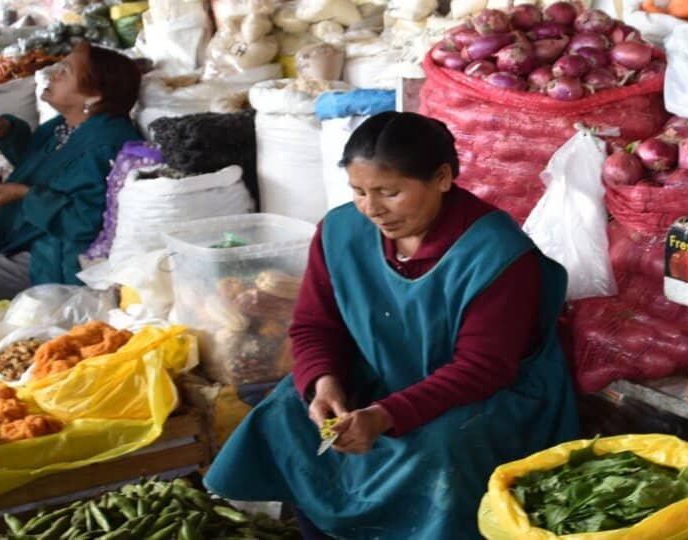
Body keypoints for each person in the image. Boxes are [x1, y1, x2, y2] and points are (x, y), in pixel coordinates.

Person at [205, 112, 579, 539]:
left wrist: (385, 415)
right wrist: (322, 384)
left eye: (389, 192)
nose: (372, 209)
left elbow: (482, 368)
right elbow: (314, 326)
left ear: (441, 178)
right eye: (359, 191)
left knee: (438, 452)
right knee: (285, 412)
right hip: (384, 372)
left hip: (487, 393)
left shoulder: (496, 253)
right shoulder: (340, 231)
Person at [0, 42, 141, 312]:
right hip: (29, 232)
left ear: (92, 96)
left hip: (58, 254)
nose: (53, 74)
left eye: (65, 72)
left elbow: (87, 223)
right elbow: (45, 168)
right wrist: (7, 133)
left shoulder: (107, 146)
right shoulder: (62, 127)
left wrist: (25, 195)